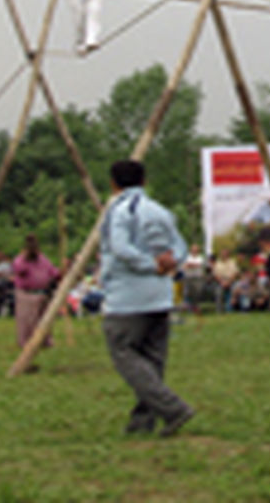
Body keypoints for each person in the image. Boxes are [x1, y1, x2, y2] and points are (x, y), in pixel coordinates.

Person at [99, 159, 194, 437]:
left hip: (127, 297)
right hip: (160, 296)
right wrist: (169, 262)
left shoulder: (119, 211)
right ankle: (143, 422)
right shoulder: (160, 211)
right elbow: (180, 246)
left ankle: (173, 408)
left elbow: (120, 248)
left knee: (124, 354)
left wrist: (150, 264)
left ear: (113, 183)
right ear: (144, 181)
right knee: (152, 360)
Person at [12, 234, 60, 357]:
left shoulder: (42, 259)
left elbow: (53, 272)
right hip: (27, 293)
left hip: (42, 292)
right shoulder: (21, 259)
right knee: (27, 320)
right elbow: (19, 270)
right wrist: (26, 257)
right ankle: (26, 342)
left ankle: (45, 341)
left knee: (43, 319)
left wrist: (62, 271)